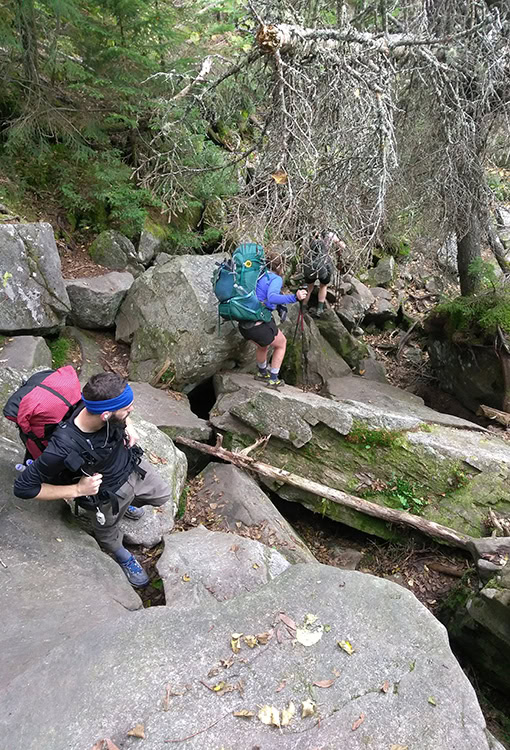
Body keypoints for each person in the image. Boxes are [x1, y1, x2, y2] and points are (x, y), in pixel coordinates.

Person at [13, 372, 171, 588]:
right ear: (106, 415)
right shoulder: (63, 447)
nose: (131, 410)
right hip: (106, 494)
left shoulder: (92, 404)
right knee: (108, 535)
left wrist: (129, 425)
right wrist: (78, 489)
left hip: (131, 466)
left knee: (162, 495)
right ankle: (122, 555)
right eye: (127, 409)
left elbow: (119, 410)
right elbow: (23, 488)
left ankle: (127, 507)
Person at [238, 257, 307, 388]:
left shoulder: (257, 275)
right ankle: (273, 379)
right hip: (259, 324)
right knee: (281, 343)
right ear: (280, 267)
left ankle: (262, 373)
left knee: (262, 345)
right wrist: (294, 297)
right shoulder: (275, 278)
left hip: (244, 324)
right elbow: (272, 297)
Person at [303, 230, 346, 317]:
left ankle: (303, 307)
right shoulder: (330, 235)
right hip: (324, 266)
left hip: (310, 266)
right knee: (323, 286)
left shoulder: (309, 231)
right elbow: (342, 246)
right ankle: (320, 309)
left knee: (309, 288)